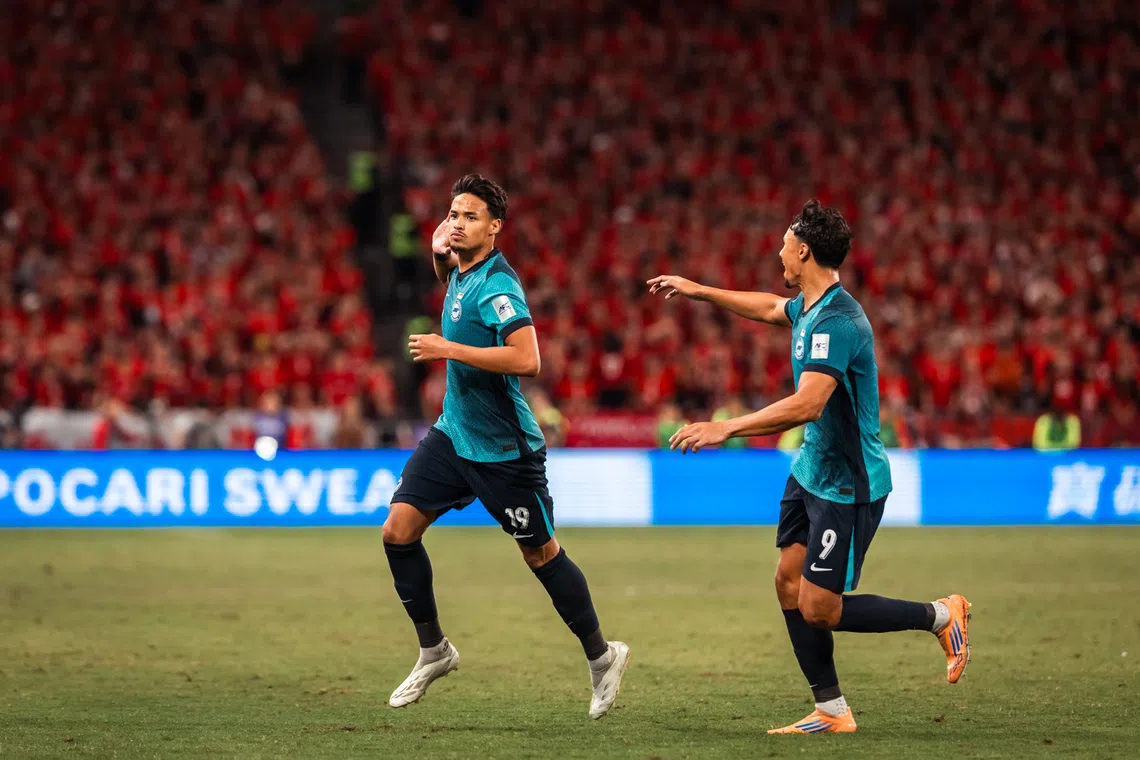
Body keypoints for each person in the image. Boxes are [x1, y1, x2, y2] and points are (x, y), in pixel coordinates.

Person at [647, 200, 971, 734]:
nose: (778, 249)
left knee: (820, 607)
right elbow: (768, 308)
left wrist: (724, 427)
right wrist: (699, 290)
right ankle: (832, 711)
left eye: (783, 241)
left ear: (803, 250)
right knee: (786, 583)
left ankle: (940, 615)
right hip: (810, 471)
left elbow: (807, 404)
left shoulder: (840, 321)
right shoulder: (808, 308)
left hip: (848, 483)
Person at [383, 175, 630, 719]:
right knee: (398, 532)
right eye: (452, 213)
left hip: (504, 451)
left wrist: (449, 348)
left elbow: (528, 360)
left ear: (495, 227)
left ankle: (602, 656)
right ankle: (434, 650)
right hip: (454, 436)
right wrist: (438, 261)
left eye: (470, 216)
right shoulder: (460, 270)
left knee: (541, 555)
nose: (456, 222)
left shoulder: (498, 286)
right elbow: (452, 288)